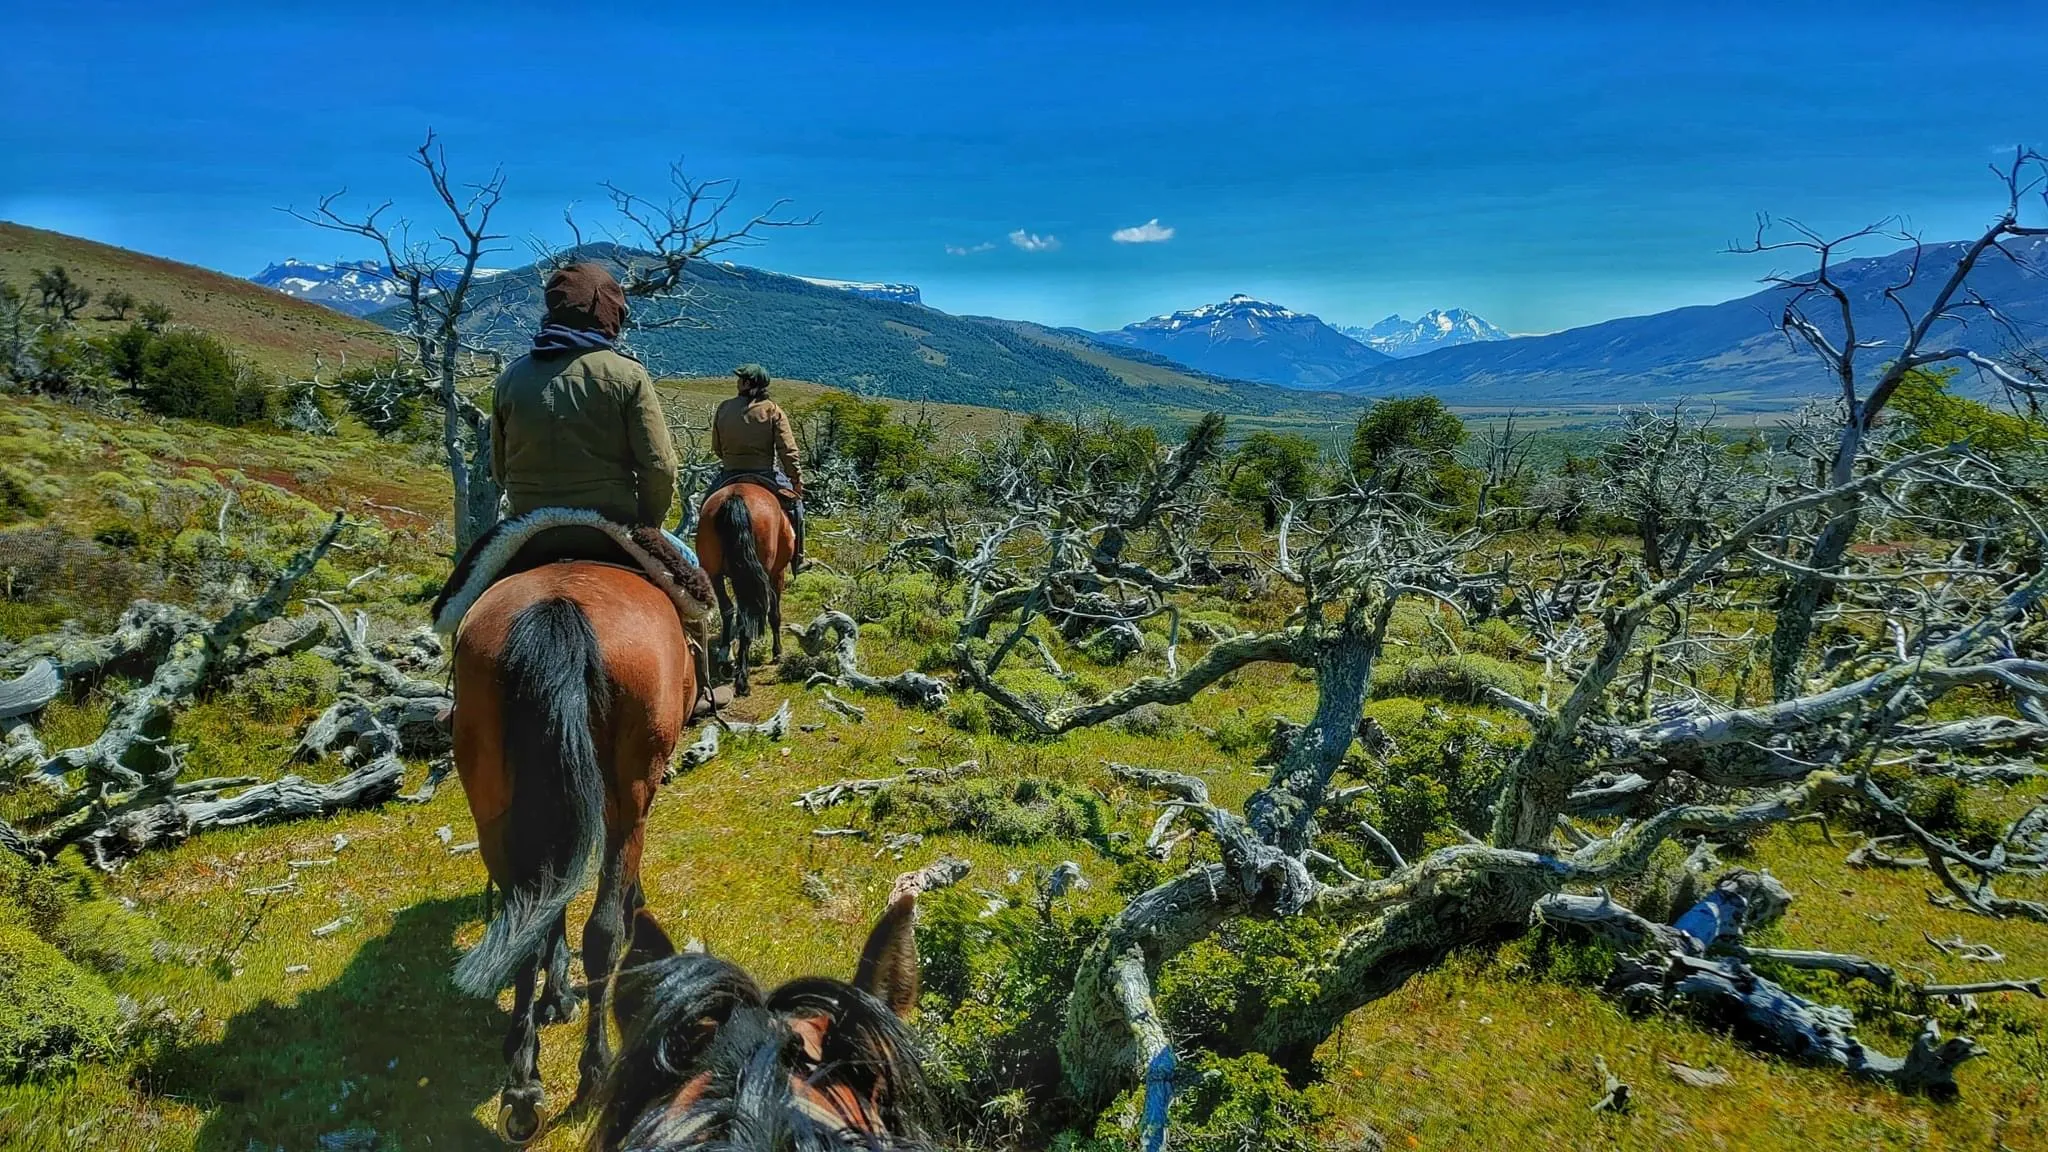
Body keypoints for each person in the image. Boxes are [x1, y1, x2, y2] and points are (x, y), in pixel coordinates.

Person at [490, 261, 696, 563]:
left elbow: (499, 470)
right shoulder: (628, 374)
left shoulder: (510, 377)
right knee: (691, 566)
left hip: (529, 527)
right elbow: (659, 467)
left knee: (466, 593)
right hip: (610, 524)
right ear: (606, 311)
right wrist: (649, 523)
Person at [708, 364, 806, 572]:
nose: (737, 382)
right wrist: (795, 480)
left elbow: (716, 447)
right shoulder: (772, 411)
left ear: (747, 383)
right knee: (796, 508)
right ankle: (798, 558)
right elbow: (788, 451)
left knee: (705, 508)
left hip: (729, 472)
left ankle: (705, 555)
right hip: (764, 473)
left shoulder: (724, 408)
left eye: (740, 379)